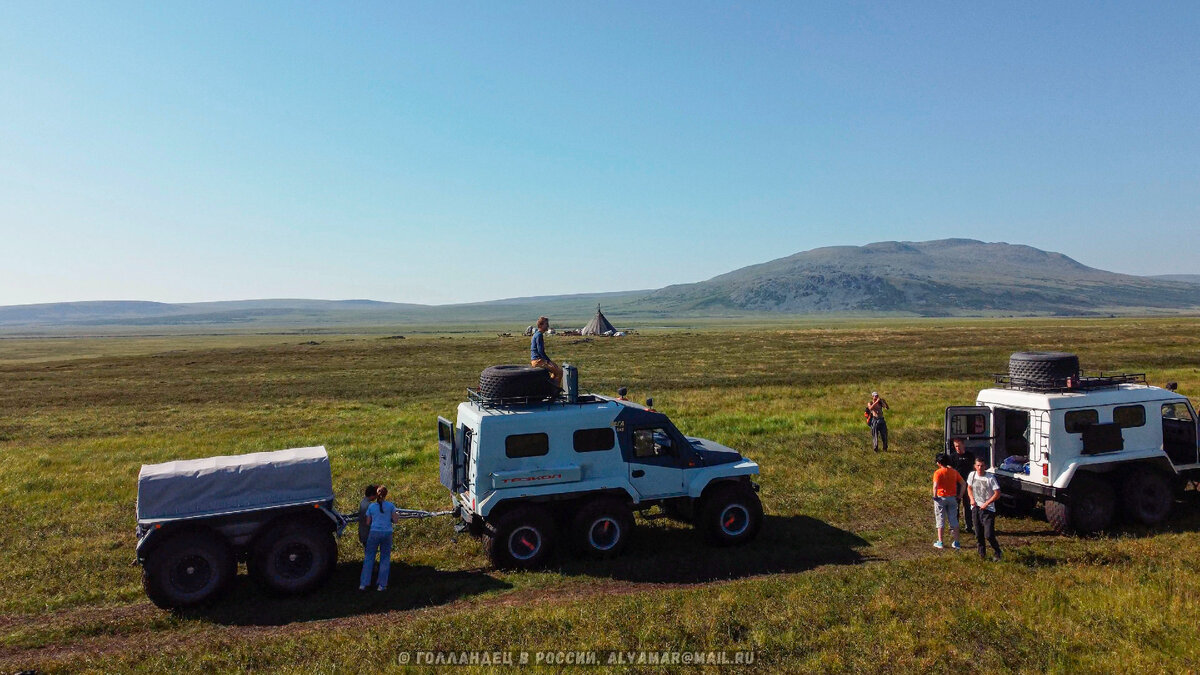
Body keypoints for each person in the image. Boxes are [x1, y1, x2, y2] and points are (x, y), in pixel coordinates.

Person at [359, 485, 398, 591]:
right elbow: (395, 520)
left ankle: (364, 583)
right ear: (386, 494)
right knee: (385, 558)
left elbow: (368, 522)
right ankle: (382, 585)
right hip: (387, 533)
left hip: (374, 533)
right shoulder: (390, 506)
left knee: (369, 557)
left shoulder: (371, 507)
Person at [966, 456, 1003, 561]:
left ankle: (997, 551)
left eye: (982, 466)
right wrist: (972, 499)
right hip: (975, 507)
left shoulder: (990, 478)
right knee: (978, 533)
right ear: (975, 466)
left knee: (988, 534)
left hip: (988, 510)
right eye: (978, 465)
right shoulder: (972, 475)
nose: (980, 468)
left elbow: (997, 493)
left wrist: (987, 503)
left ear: (985, 466)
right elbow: (969, 487)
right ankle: (982, 555)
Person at [932, 453, 965, 550]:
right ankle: (956, 542)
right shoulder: (954, 472)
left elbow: (935, 486)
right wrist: (960, 495)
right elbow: (963, 484)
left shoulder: (938, 473)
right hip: (952, 497)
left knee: (940, 519)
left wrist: (934, 496)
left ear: (939, 463)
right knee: (953, 519)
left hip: (941, 497)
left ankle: (940, 541)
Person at [950, 438, 975, 534]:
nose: (958, 448)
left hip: (968, 484)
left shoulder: (970, 456)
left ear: (963, 445)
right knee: (955, 506)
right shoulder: (952, 457)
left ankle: (969, 526)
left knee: (968, 505)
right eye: (956, 446)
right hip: (956, 484)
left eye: (959, 446)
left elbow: (974, 468)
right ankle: (954, 526)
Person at [530, 316, 563, 388]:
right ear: (541, 325)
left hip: (536, 360)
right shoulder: (539, 335)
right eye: (546, 324)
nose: (548, 325)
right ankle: (554, 391)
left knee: (555, 370)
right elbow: (540, 351)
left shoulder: (536, 334)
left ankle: (550, 386)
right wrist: (549, 361)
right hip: (538, 361)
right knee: (559, 372)